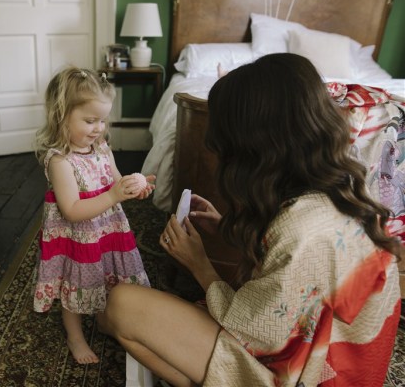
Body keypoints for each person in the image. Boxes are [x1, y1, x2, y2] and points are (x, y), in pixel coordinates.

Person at [97, 53, 402, 386]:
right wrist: (229, 231)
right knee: (120, 318)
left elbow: (259, 332)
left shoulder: (303, 228)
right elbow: (301, 280)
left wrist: (200, 265)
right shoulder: (338, 186)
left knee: (120, 306)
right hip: (348, 364)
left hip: (310, 375)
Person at [33, 66, 154, 364]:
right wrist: (113, 195)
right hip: (77, 236)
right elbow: (72, 210)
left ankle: (103, 317)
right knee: (75, 283)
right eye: (89, 120)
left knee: (105, 274)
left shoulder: (101, 148)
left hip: (106, 228)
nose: (98, 128)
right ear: (61, 115)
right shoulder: (60, 161)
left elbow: (114, 180)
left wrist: (130, 188)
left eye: (102, 120)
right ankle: (75, 336)